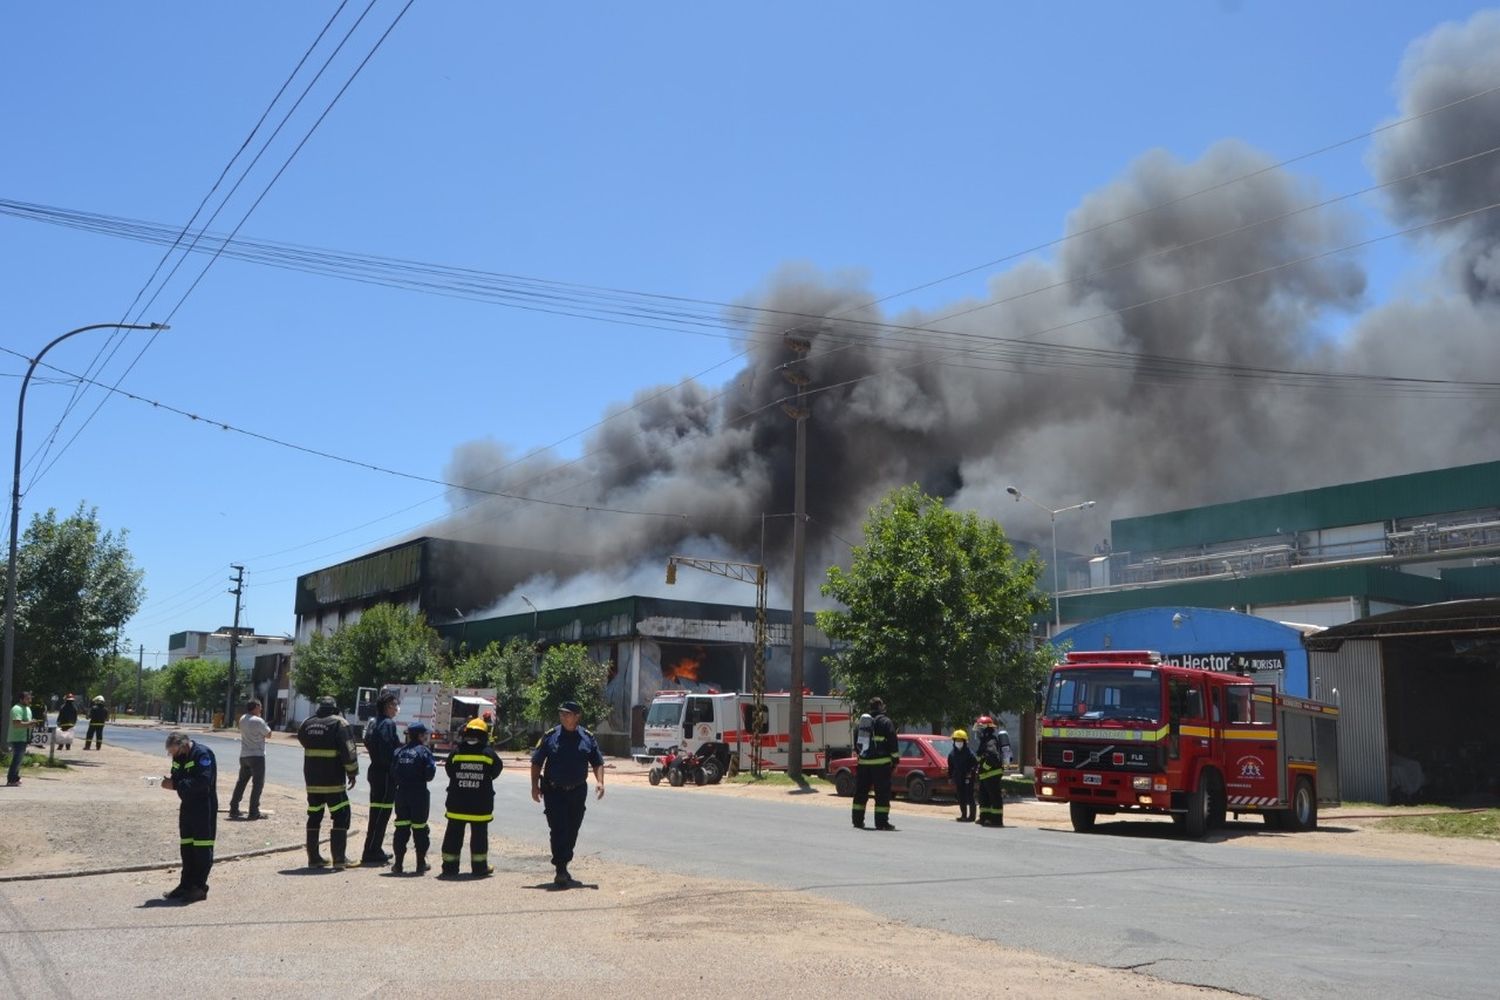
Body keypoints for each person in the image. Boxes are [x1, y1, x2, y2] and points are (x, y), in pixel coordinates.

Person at [530, 699, 605, 887]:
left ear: (577, 716)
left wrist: (600, 781)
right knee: (558, 829)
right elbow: (536, 762)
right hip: (554, 791)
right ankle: (560, 868)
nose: (563, 716)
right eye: (561, 713)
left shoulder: (587, 737)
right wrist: (534, 786)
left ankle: (564, 862)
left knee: (572, 829)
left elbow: (597, 761)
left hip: (578, 791)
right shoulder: (550, 736)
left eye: (567, 714)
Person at [296, 695, 360, 868]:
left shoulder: (307, 723)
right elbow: (349, 750)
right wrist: (352, 772)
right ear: (335, 708)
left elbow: (302, 739)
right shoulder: (339, 724)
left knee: (314, 815)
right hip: (333, 782)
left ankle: (314, 858)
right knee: (341, 815)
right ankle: (339, 859)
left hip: (312, 781)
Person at [440, 717, 502, 877]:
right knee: (479, 838)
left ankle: (449, 868)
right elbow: (495, 771)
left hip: (457, 804)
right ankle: (480, 868)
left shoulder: (456, 753)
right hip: (480, 806)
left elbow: (449, 771)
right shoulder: (489, 754)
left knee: (453, 836)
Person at [161, 731, 218, 903]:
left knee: (202, 847)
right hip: (187, 805)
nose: (173, 756)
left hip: (203, 806)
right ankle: (185, 885)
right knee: (187, 846)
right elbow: (176, 775)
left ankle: (199, 887)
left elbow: (203, 782)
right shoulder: (179, 757)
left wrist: (176, 784)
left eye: (174, 752)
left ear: (183, 745)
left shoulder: (202, 754)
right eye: (171, 753)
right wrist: (171, 782)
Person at [360, 691, 400, 865]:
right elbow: (387, 750)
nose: (396, 709)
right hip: (384, 774)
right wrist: (395, 766)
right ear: (387, 706)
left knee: (377, 813)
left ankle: (374, 848)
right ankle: (372, 852)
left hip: (375, 772)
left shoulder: (373, 722)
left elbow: (369, 743)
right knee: (381, 814)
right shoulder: (387, 724)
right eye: (394, 705)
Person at [391, 722, 437, 875]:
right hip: (419, 794)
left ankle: (398, 864)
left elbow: (393, 773)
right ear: (420, 735)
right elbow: (430, 775)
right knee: (420, 828)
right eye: (424, 734)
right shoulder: (424, 752)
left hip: (401, 794)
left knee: (401, 828)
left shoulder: (398, 752)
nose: (426, 736)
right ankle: (420, 864)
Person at [851, 696, 898, 831]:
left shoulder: (861, 723)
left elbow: (856, 744)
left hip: (864, 764)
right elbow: (893, 744)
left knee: (860, 793)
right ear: (880, 706)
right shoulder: (885, 722)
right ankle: (882, 823)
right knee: (882, 794)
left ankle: (857, 821)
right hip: (881, 765)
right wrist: (895, 762)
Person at [229, 699, 271, 820]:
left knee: (241, 782)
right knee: (257, 784)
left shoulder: (242, 719)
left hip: (244, 755)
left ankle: (234, 808)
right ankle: (253, 811)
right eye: (260, 707)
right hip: (257, 755)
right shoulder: (258, 721)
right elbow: (268, 734)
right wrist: (264, 724)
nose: (261, 709)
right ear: (255, 707)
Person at [974, 716, 1006, 828]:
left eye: (979, 729)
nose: (978, 732)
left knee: (994, 797)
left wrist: (985, 767)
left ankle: (996, 820)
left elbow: (993, 757)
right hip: (985, 775)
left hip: (992, 774)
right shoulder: (985, 741)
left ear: (985, 729)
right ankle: (984, 818)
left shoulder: (991, 741)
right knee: (984, 797)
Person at [947, 728, 977, 823]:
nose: (958, 742)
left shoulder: (969, 753)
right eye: (956, 740)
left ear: (964, 741)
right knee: (960, 796)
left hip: (968, 777)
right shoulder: (952, 754)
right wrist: (950, 777)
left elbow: (975, 764)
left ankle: (972, 816)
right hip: (958, 777)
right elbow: (950, 767)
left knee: (969, 796)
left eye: (960, 740)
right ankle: (963, 815)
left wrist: (971, 772)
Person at [6, 691, 36, 786]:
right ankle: (11, 779)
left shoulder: (27, 708)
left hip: (24, 738)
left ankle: (15, 778)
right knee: (17, 759)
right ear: (21, 699)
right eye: (27, 698)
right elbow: (16, 724)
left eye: (30, 698)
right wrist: (30, 723)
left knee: (19, 760)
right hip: (17, 738)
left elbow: (27, 722)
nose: (29, 700)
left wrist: (32, 724)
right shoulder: (17, 709)